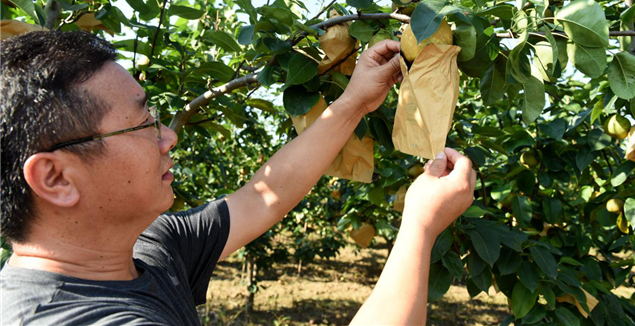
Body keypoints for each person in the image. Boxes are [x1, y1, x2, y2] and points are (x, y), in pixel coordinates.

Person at [0, 30, 476, 325]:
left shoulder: (148, 251)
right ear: (56, 177)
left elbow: (261, 197)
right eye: (143, 122)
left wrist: (353, 102)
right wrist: (419, 227)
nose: (169, 137)